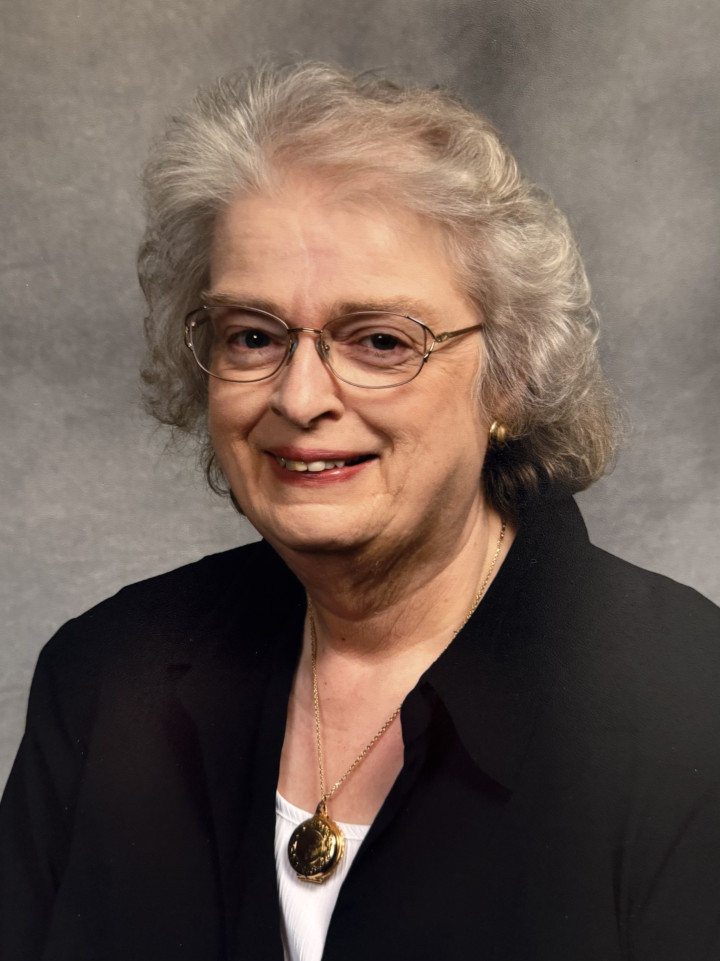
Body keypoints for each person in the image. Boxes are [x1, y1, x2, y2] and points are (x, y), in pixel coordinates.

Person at [1, 61, 719, 961]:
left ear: (511, 376)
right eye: (253, 335)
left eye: (380, 340)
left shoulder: (691, 706)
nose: (299, 397)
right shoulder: (108, 678)